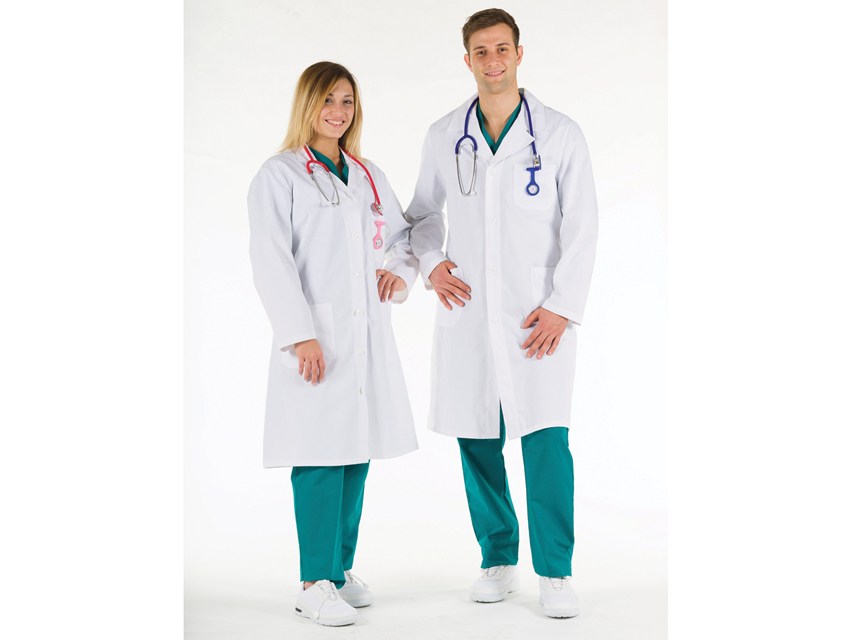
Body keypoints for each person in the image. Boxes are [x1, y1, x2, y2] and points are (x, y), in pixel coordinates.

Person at [406, 9, 598, 618]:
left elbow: (583, 226)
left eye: (502, 49)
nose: (493, 61)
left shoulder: (560, 133)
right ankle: (498, 557)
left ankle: (556, 571)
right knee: (478, 439)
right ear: (467, 60)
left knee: (545, 441)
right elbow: (422, 214)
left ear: (519, 53)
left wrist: (562, 307)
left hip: (536, 317)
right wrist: (432, 261)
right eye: (481, 52)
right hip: (469, 312)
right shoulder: (444, 134)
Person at [247, 61, 419, 627]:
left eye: (347, 101)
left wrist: (399, 270)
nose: (338, 112)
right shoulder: (280, 174)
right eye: (327, 100)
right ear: (307, 104)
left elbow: (402, 237)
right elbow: (270, 258)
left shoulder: (367, 175)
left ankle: (338, 572)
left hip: (364, 335)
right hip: (316, 336)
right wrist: (300, 334)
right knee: (319, 454)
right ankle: (313, 582)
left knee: (354, 453)